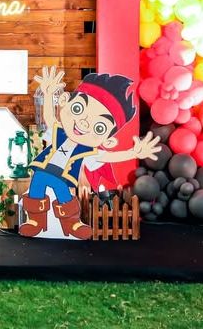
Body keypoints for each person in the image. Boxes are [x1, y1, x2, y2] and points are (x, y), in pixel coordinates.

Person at [19, 66, 161, 239]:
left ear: (108, 141)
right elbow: (50, 118)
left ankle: (72, 223)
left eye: (99, 127)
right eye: (78, 109)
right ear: (64, 101)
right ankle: (36, 222)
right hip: (43, 170)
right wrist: (48, 95)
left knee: (63, 194)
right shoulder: (59, 133)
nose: (84, 123)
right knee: (36, 189)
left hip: (63, 177)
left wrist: (133, 152)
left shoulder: (87, 149)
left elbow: (108, 156)